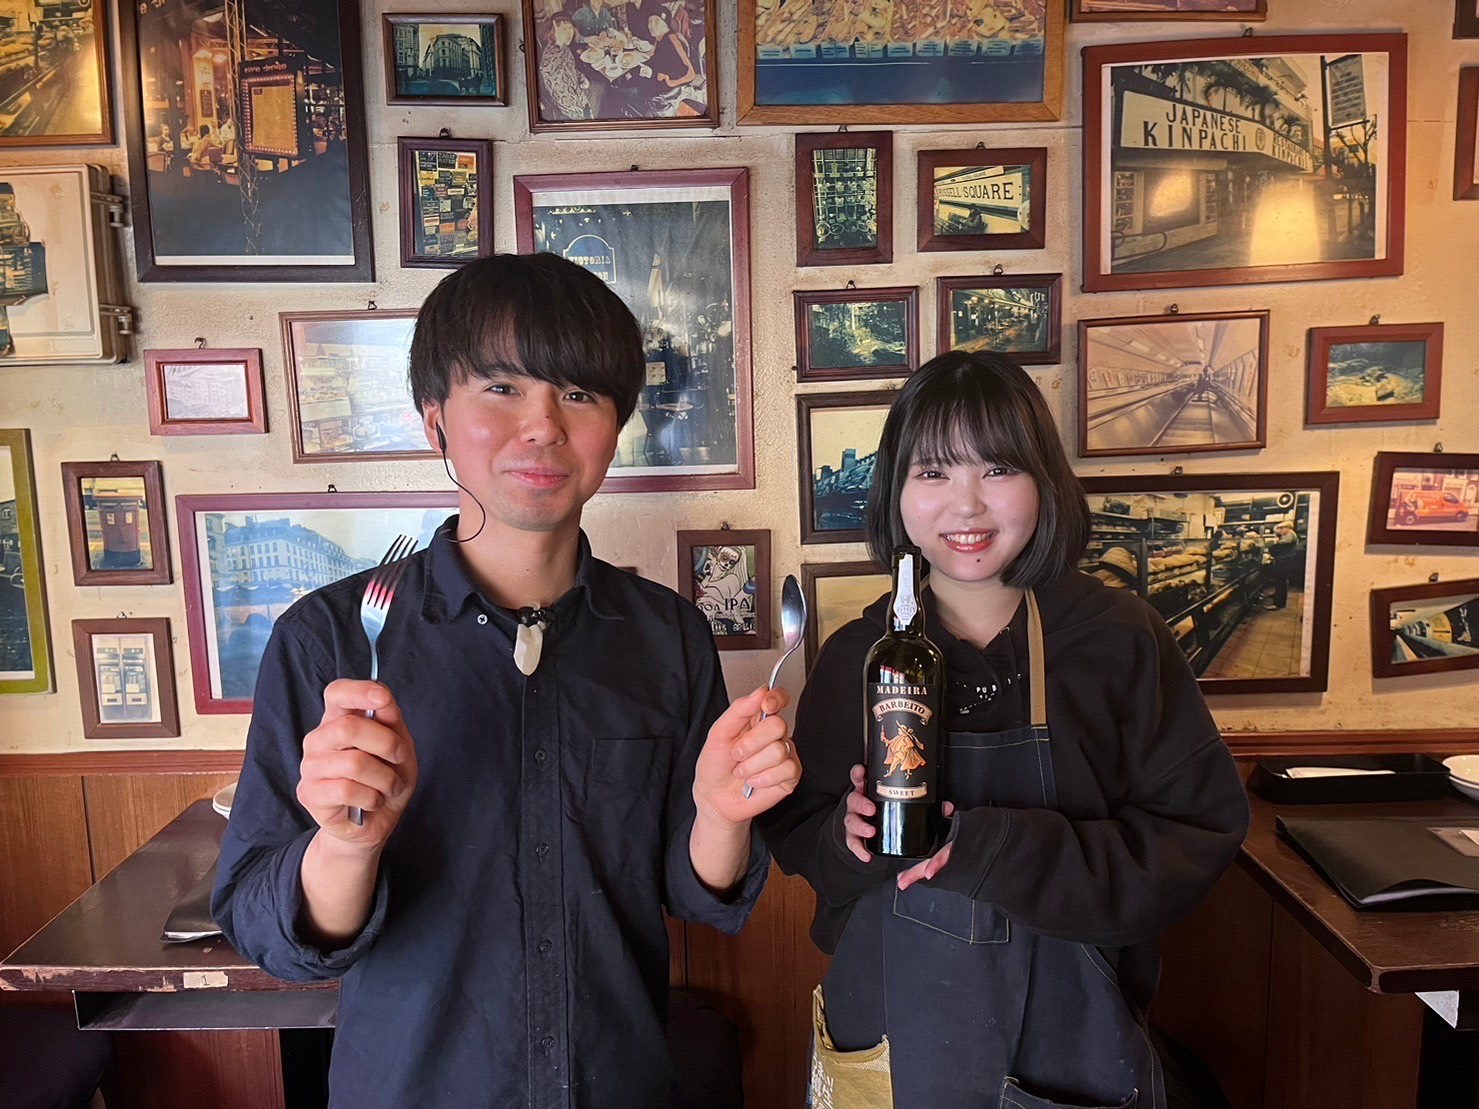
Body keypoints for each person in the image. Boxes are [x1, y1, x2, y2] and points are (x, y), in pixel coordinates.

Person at [212, 253, 801, 1108]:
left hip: (620, 1081)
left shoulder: (667, 635)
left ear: (616, 427)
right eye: (500, 388)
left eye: (579, 393)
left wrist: (719, 814)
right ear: (435, 421)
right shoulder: (330, 638)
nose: (542, 426)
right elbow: (266, 927)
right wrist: (345, 844)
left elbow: (694, 894)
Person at [758, 351, 1249, 1109]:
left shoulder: (1119, 638)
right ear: (894, 491)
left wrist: (1005, 852)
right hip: (889, 1031)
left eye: (997, 468)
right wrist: (844, 837)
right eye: (932, 472)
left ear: (1043, 481)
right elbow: (802, 839)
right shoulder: (860, 654)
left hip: (1073, 1040)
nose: (966, 506)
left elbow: (1194, 833)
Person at [1262, 521, 1300, 610]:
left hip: (1284, 562)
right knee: (1281, 582)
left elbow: (1276, 547)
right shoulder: (1289, 535)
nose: (1280, 530)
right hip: (1284, 561)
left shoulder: (1290, 536)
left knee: (1280, 582)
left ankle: (1278, 603)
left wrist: (1273, 543)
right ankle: (1279, 598)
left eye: (1281, 528)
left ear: (1287, 528)